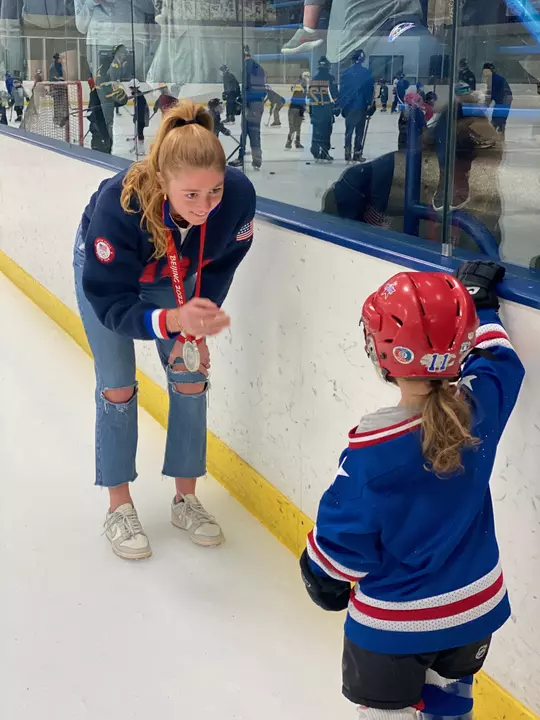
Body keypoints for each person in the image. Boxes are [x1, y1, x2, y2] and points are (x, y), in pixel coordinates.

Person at [300, 260, 524, 720]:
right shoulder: (480, 407)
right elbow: (501, 361)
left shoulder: (370, 458)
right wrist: (483, 304)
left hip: (395, 629)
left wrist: (319, 577)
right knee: (450, 704)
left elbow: (341, 552)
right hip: (472, 612)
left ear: (382, 354)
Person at [72, 99, 256, 559]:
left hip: (172, 278)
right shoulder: (122, 205)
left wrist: (193, 328)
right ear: (161, 181)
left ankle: (185, 498)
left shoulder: (237, 198)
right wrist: (171, 320)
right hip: (109, 283)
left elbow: (220, 266)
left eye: (213, 191)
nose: (205, 207)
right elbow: (111, 300)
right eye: (190, 195)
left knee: (191, 376)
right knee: (116, 385)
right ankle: (119, 504)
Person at [230, 46, 265, 170]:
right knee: (255, 132)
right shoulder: (258, 67)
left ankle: (241, 158)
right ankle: (257, 160)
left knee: (246, 132)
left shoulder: (246, 67)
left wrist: (243, 101)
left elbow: (246, 87)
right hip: (258, 105)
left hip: (250, 105)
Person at [340, 49, 374, 162]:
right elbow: (369, 91)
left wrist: (342, 106)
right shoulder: (366, 73)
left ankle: (347, 153)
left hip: (349, 107)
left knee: (348, 131)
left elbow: (342, 91)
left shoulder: (346, 73)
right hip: (361, 107)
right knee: (359, 132)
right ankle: (357, 154)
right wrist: (370, 104)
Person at [309, 55, 339, 162]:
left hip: (316, 110)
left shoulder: (314, 79)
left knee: (316, 131)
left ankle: (315, 150)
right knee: (326, 131)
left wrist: (311, 111)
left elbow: (309, 96)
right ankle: (324, 152)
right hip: (326, 110)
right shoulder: (330, 79)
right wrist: (337, 107)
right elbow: (335, 94)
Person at [483, 62, 513, 134]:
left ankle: (495, 136)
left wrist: (485, 106)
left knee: (497, 120)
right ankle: (499, 135)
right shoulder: (494, 78)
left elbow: (491, 94)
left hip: (503, 100)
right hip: (504, 100)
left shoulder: (493, 79)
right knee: (500, 120)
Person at [286, 76, 307, 150]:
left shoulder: (299, 89)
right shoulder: (303, 91)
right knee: (297, 127)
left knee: (293, 128)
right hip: (298, 109)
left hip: (293, 109)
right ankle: (295, 142)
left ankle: (290, 143)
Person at [48, 52, 68, 128]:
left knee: (63, 104)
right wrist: (58, 79)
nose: (62, 59)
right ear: (57, 59)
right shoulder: (52, 67)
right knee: (57, 105)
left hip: (62, 88)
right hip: (56, 88)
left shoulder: (61, 66)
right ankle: (57, 120)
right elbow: (51, 78)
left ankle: (62, 119)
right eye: (60, 58)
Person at [131, 84, 150, 155]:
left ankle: (141, 149)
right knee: (139, 131)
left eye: (132, 88)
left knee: (140, 132)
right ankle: (140, 148)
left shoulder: (139, 96)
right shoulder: (137, 95)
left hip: (142, 117)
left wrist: (136, 117)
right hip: (140, 116)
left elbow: (140, 109)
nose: (131, 90)